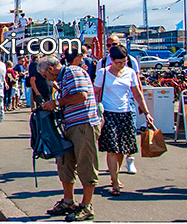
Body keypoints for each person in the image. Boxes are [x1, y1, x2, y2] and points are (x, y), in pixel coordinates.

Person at [40, 54, 101, 222]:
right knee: (65, 163)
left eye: (46, 75)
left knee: (86, 163)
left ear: (51, 69)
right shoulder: (64, 78)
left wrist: (57, 103)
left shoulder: (72, 72)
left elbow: (81, 95)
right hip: (70, 124)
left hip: (83, 124)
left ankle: (87, 205)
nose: (47, 79)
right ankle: (68, 201)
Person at [92, 45, 152, 197]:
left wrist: (146, 112)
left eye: (124, 62)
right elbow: (95, 92)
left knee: (122, 150)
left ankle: (115, 176)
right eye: (118, 62)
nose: (121, 65)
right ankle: (115, 181)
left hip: (125, 113)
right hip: (109, 114)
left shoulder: (130, 73)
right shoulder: (103, 73)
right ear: (111, 60)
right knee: (112, 149)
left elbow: (137, 94)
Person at [97, 34, 143, 175]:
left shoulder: (131, 62)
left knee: (129, 135)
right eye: (109, 45)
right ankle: (114, 177)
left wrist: (142, 104)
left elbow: (137, 83)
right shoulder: (103, 63)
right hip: (108, 107)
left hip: (127, 103)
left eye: (114, 45)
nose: (111, 47)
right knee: (112, 143)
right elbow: (98, 87)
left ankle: (130, 161)